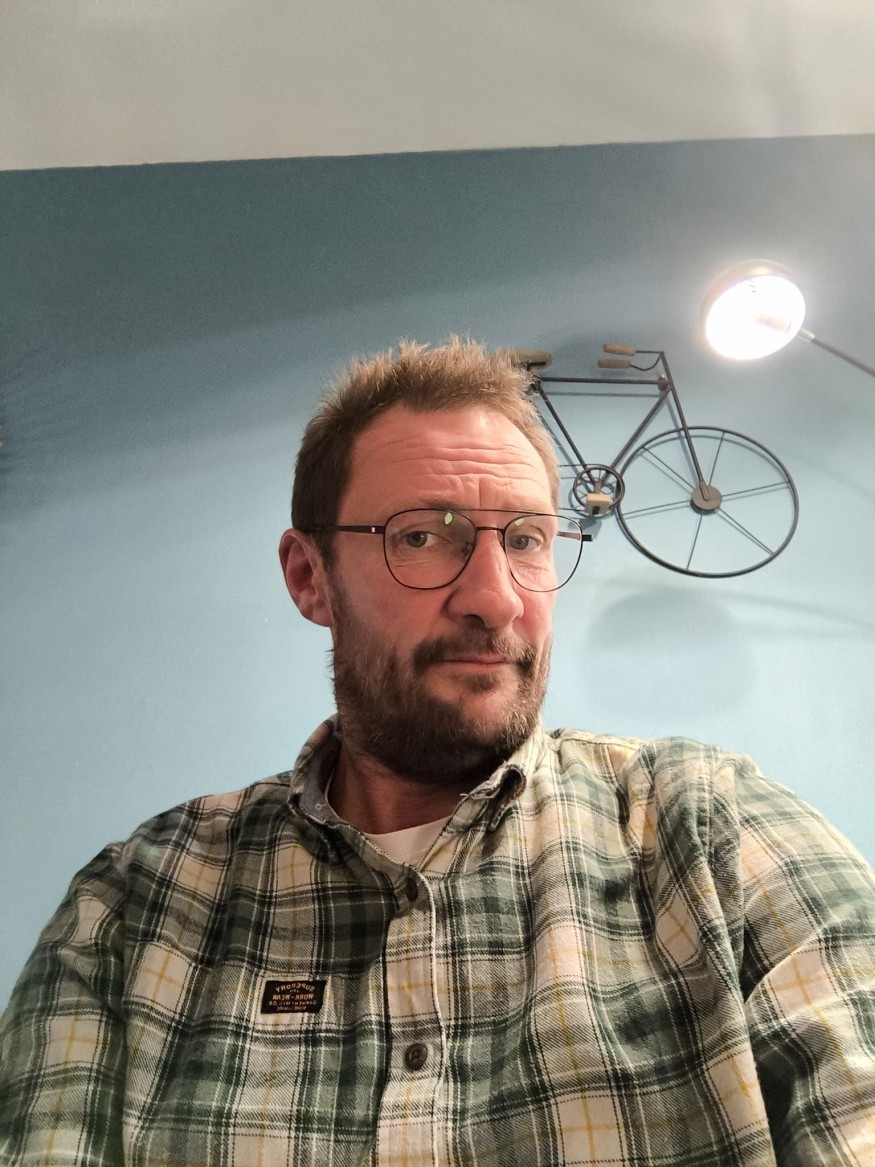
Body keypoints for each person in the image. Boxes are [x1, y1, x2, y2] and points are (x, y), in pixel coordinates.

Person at [1, 338, 873, 1166]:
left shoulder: (710, 828)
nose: (496, 599)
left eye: (525, 540)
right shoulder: (139, 900)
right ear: (309, 577)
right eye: (421, 535)